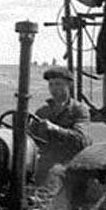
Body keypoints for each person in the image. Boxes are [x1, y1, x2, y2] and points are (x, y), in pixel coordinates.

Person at [28, 66, 91, 197]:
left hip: (70, 161)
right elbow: (30, 138)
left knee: (50, 181)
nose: (54, 88)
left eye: (58, 84)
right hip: (44, 160)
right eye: (51, 85)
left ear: (69, 85)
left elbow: (81, 140)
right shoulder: (42, 112)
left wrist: (55, 129)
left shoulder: (79, 110)